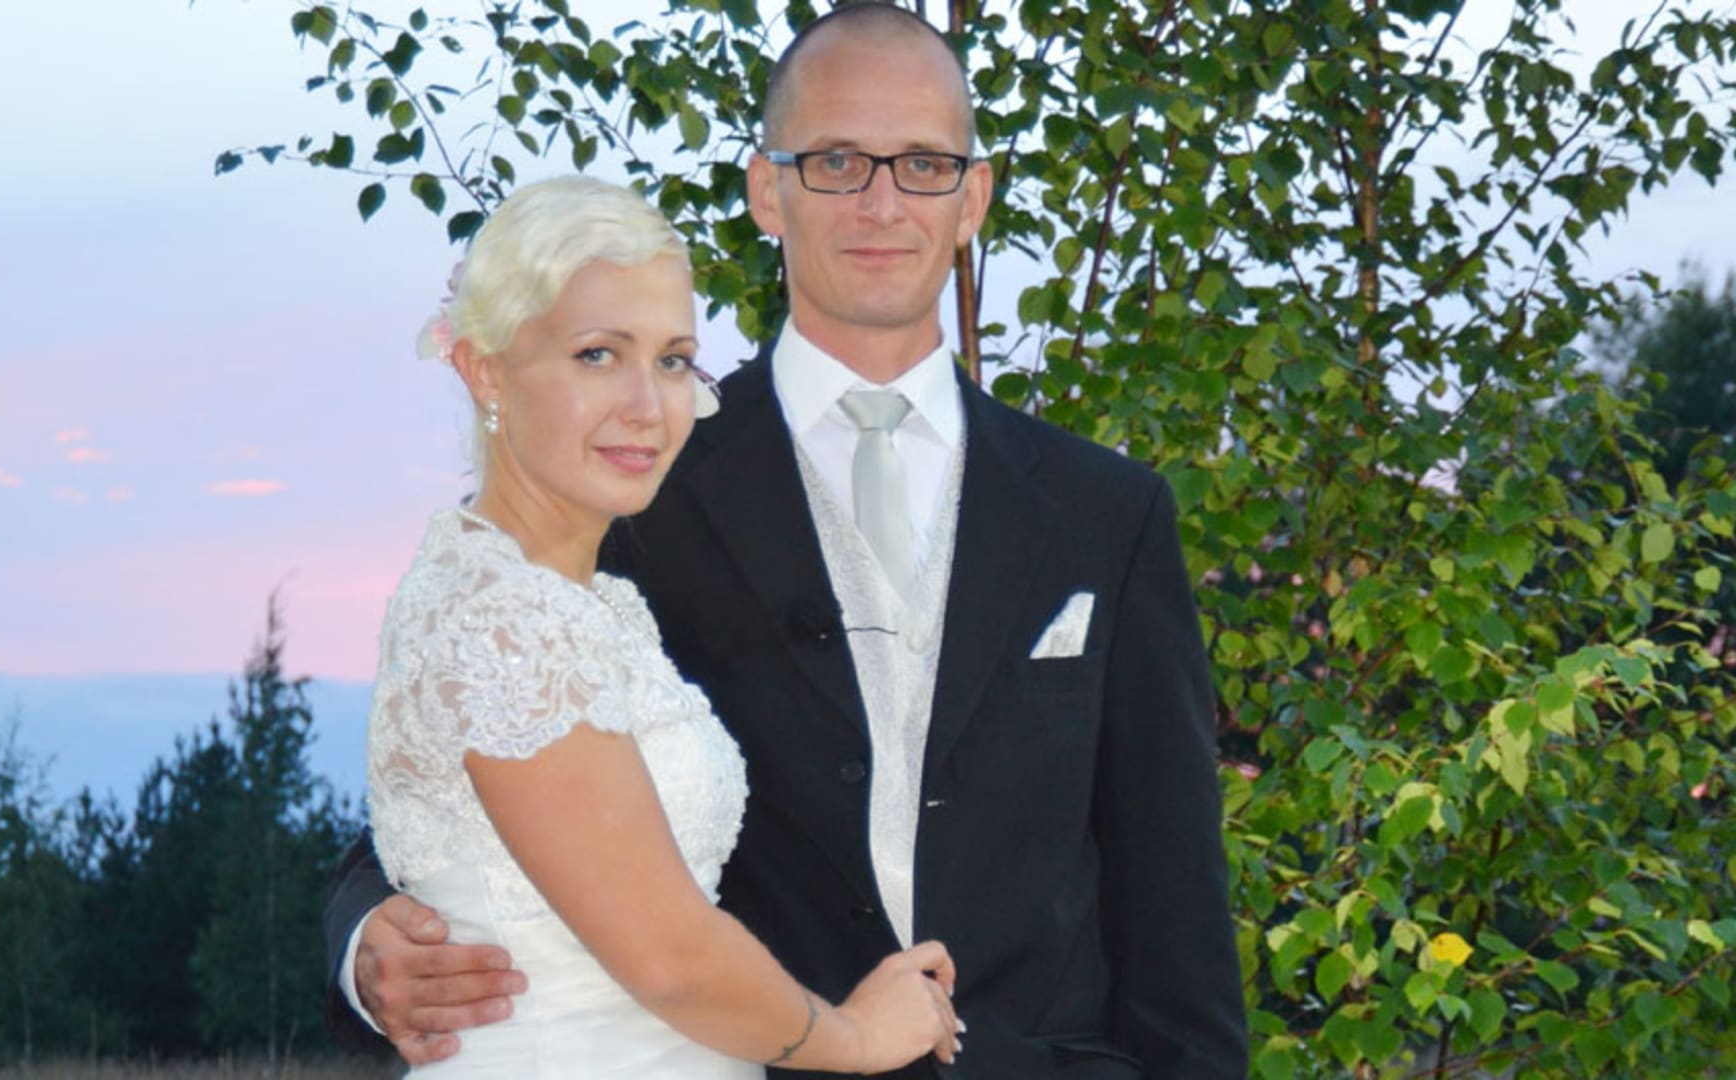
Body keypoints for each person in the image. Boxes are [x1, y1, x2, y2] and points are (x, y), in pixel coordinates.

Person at [328, 4, 1248, 1076]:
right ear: (768, 189)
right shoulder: (626, 488)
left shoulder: (1108, 514)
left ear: (973, 198)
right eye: (838, 161)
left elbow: (1175, 897)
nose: (881, 203)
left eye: (923, 165)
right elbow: (470, 760)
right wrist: (362, 939)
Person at [361, 173, 963, 1078]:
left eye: (674, 360)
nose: (647, 405)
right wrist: (855, 1038)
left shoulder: (582, 602)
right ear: (485, 369)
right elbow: (672, 959)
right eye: (598, 355)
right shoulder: (507, 620)